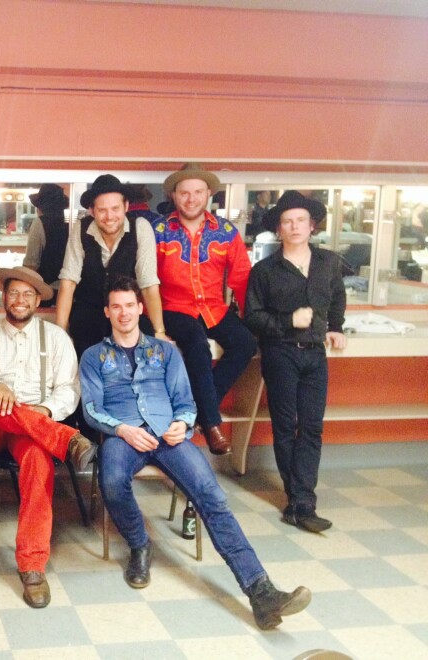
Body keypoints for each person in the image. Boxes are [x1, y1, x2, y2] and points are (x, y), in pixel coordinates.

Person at [79, 276, 311, 631]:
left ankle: (261, 592)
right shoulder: (94, 356)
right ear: (107, 312)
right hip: (123, 435)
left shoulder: (166, 351)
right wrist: (122, 429)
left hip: (168, 435)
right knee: (111, 480)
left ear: (141, 309)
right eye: (117, 307)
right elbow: (91, 408)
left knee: (212, 497)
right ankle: (140, 546)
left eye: (130, 305)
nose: (124, 313)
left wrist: (183, 424)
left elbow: (186, 401)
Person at [0, 266, 95, 609]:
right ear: (5, 297)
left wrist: (43, 412)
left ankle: (32, 567)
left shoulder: (57, 339)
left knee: (38, 458)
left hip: (32, 425)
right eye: (13, 293)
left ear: (37, 300)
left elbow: (69, 390)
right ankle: (65, 439)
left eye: (27, 294)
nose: (19, 300)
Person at [245, 190, 346, 533]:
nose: (295, 226)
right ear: (278, 229)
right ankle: (298, 500)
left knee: (313, 426)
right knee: (287, 426)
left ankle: (303, 499)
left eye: (301, 220)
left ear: (312, 225)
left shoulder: (329, 263)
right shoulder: (264, 270)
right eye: (287, 221)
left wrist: (336, 327)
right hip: (280, 352)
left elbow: (338, 298)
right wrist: (289, 321)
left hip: (316, 353)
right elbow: (253, 318)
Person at [153, 163, 257, 455]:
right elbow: (146, 279)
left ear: (209, 193)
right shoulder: (158, 230)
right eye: (184, 193)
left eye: (198, 192)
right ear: (174, 195)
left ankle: (201, 405)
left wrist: (252, 318)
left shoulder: (226, 231)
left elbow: (242, 278)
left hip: (214, 308)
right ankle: (211, 423)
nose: (191, 198)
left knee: (246, 343)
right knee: (197, 345)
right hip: (174, 309)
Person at [56, 174, 165, 358]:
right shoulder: (81, 229)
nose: (109, 217)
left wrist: (159, 330)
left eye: (115, 208)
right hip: (88, 314)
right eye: (102, 210)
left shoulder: (140, 228)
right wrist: (59, 333)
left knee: (138, 359)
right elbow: (68, 283)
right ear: (92, 211)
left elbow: (148, 285)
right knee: (87, 361)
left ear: (126, 207)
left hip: (126, 313)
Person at [23, 183, 70, 306]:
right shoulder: (72, 225)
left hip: (46, 291)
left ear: (40, 207)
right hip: (70, 291)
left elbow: (31, 263)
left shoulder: (39, 223)